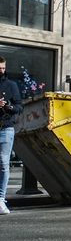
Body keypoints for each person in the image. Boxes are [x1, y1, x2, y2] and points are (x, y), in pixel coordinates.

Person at [0, 57, 23, 215]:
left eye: (3, 68)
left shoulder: (11, 85)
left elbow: (19, 106)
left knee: (3, 163)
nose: (1, 71)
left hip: (5, 128)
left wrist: (8, 107)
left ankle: (0, 199)